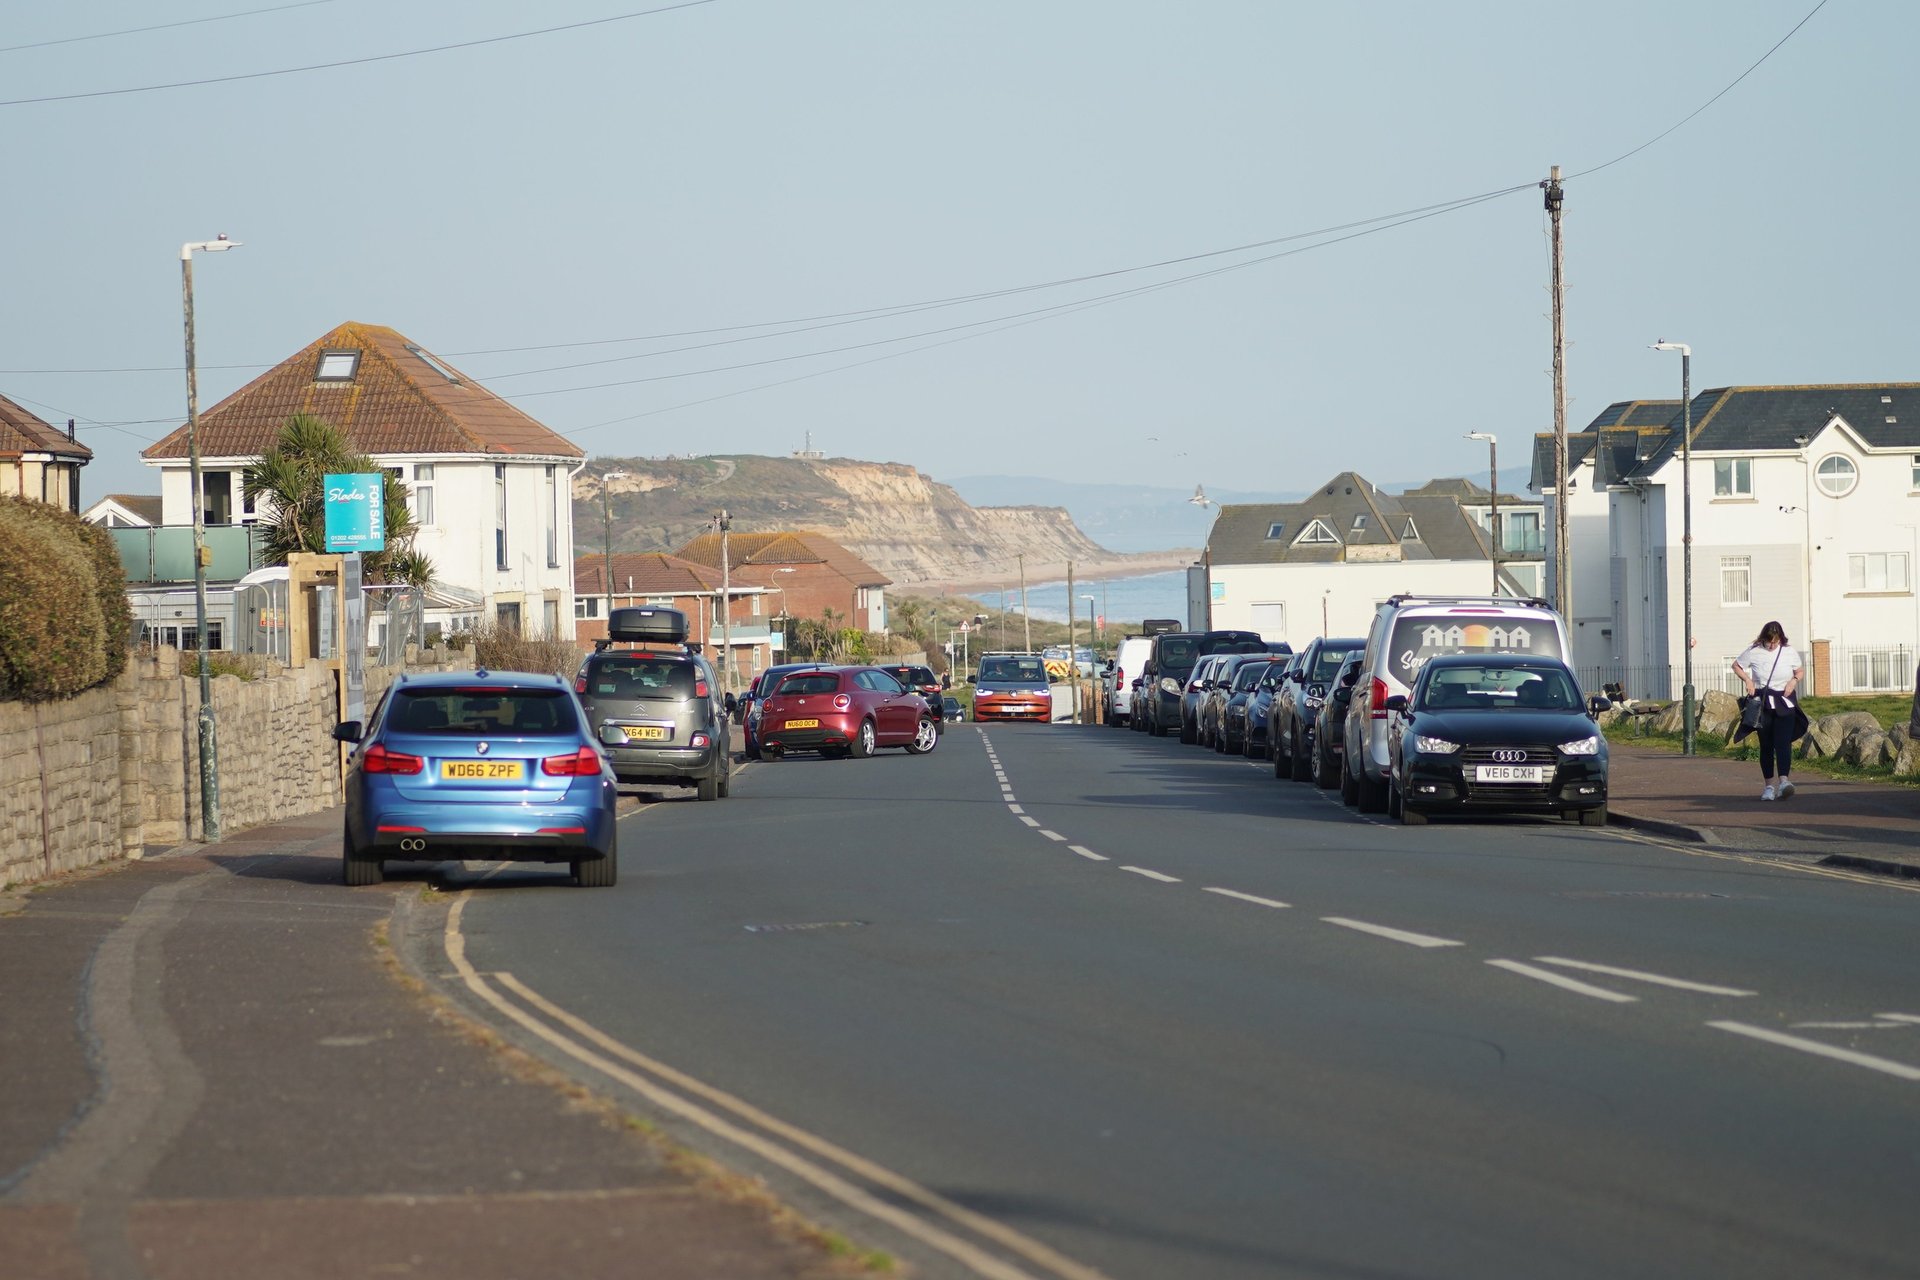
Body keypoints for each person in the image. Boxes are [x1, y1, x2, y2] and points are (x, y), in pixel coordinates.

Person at [1731, 620, 1806, 801]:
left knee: (1783, 742)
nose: (1772, 645)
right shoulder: (1754, 651)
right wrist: (1748, 681)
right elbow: (1736, 665)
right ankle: (1769, 787)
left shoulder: (1788, 652)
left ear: (1781, 639)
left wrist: (1793, 681)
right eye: (1769, 642)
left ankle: (1784, 782)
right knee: (1766, 746)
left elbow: (1800, 671)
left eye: (1775, 642)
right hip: (1763, 701)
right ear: (1763, 638)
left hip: (1784, 701)